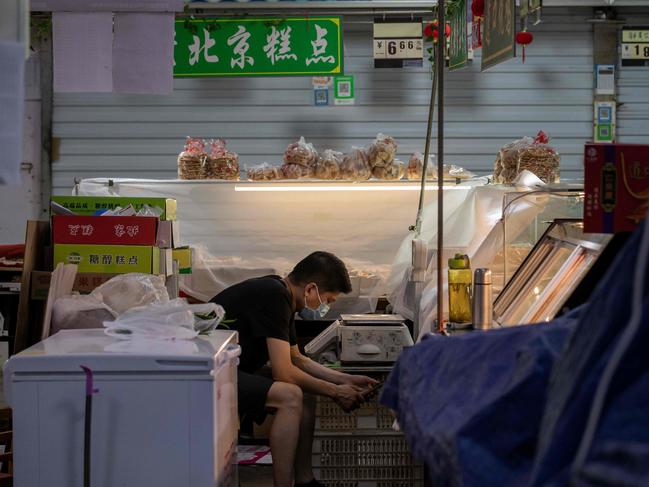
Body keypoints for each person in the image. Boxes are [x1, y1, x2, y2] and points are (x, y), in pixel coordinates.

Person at [211, 251, 377, 487]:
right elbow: (284, 372)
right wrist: (335, 392)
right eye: (327, 300)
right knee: (290, 395)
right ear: (311, 289)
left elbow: (297, 359)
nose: (325, 307)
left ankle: (305, 480)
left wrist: (345, 380)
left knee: (307, 392)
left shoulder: (284, 295)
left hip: (228, 369)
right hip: (206, 375)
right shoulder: (273, 295)